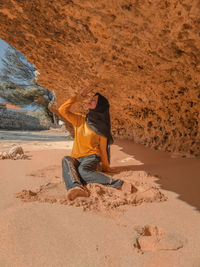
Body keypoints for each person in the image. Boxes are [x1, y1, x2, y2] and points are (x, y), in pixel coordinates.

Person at [58, 89, 134, 201]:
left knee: (83, 171)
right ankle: (77, 187)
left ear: (100, 106)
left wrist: (106, 167)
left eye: (94, 100)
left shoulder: (101, 129)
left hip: (92, 157)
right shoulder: (80, 120)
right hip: (76, 158)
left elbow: (103, 150)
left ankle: (118, 184)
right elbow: (62, 110)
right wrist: (77, 98)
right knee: (66, 159)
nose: (90, 100)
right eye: (91, 98)